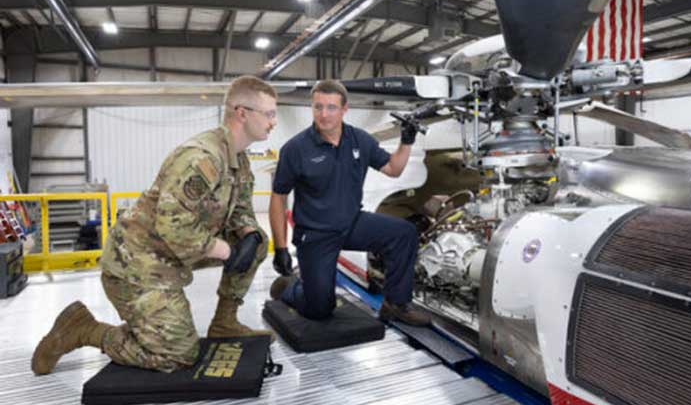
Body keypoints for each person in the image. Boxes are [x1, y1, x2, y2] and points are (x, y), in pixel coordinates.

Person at [32, 76, 278, 375]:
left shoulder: (237, 158)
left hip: (173, 251)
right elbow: (174, 226)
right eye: (269, 114)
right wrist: (227, 250)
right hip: (138, 263)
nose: (273, 122)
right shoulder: (202, 157)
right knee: (178, 355)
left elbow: (240, 208)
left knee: (257, 243)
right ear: (242, 113)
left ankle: (225, 322)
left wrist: (249, 233)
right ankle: (84, 329)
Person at [268, 79, 430, 326]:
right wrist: (280, 248)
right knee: (320, 309)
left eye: (331, 107)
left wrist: (406, 142)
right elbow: (278, 198)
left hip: (352, 223)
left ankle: (395, 304)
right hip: (315, 234)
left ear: (344, 109)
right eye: (318, 107)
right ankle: (290, 288)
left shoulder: (360, 140)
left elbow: (393, 169)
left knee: (404, 233)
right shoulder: (296, 149)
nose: (324, 114)